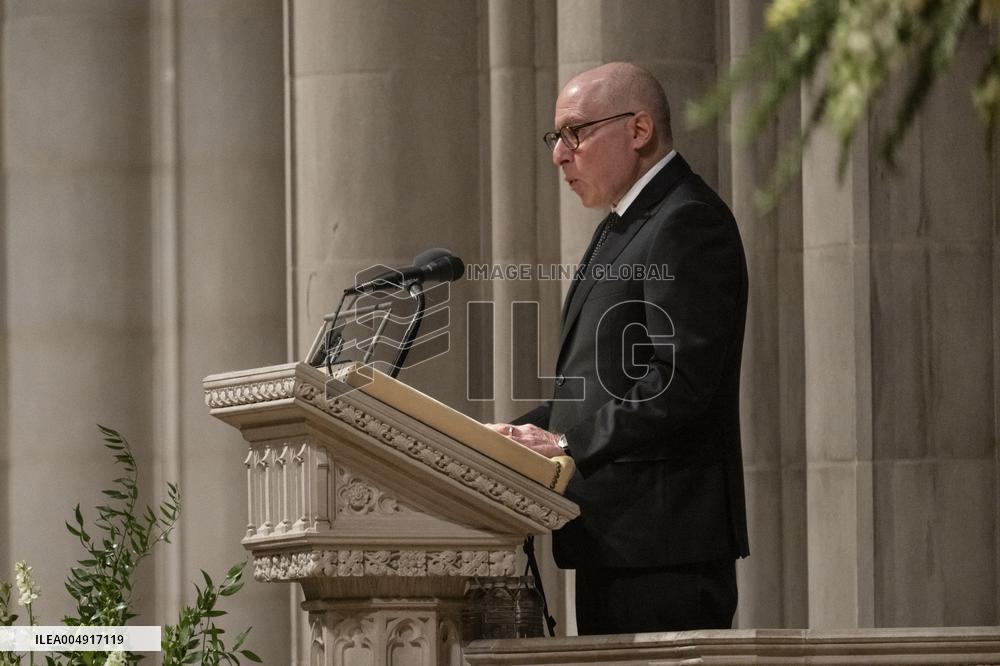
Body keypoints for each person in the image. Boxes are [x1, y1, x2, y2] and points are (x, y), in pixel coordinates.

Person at [489, 62, 750, 635]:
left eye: (574, 133)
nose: (559, 154)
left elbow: (677, 382)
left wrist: (562, 441)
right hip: (618, 541)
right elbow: (600, 386)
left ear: (638, 129)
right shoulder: (623, 227)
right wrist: (513, 437)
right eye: (555, 137)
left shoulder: (687, 222)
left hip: (665, 548)